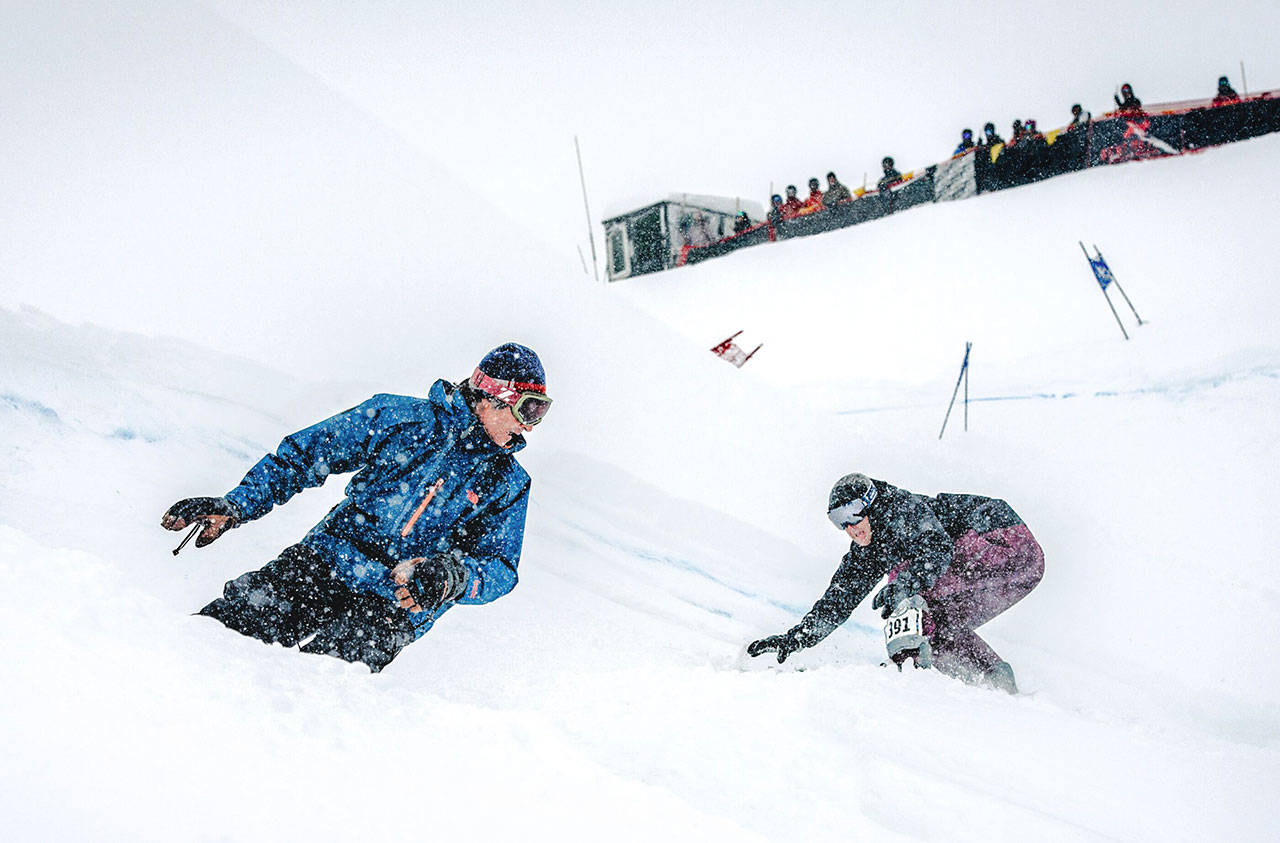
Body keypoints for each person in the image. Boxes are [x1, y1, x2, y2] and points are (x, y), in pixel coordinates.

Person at [161, 343, 551, 672]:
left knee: (315, 692)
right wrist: (237, 504)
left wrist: (452, 575)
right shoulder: (401, 419)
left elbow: (500, 566)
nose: (530, 426)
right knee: (215, 640)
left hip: (395, 604)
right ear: (492, 397)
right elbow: (305, 456)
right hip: (326, 562)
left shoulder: (507, 483)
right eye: (528, 410)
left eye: (541, 413)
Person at [746, 473, 1044, 693]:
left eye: (851, 513)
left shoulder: (901, 509)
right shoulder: (869, 549)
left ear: (869, 503)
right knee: (939, 631)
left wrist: (906, 583)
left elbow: (937, 547)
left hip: (1003, 537)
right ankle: (995, 681)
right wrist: (797, 638)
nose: (848, 527)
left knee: (909, 590)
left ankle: (911, 673)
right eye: (838, 520)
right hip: (1017, 571)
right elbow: (838, 601)